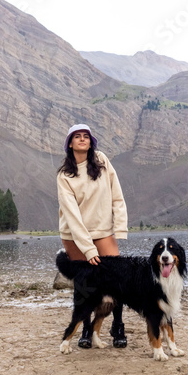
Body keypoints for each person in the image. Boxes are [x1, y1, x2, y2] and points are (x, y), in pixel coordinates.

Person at [57, 123, 128, 348]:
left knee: (117, 282)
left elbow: (117, 194)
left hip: (103, 230)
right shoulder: (64, 175)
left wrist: (121, 226)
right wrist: (87, 248)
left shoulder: (102, 161)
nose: (82, 139)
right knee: (85, 285)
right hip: (74, 234)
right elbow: (72, 215)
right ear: (70, 143)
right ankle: (86, 329)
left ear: (91, 141)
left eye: (85, 136)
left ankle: (118, 326)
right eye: (76, 136)